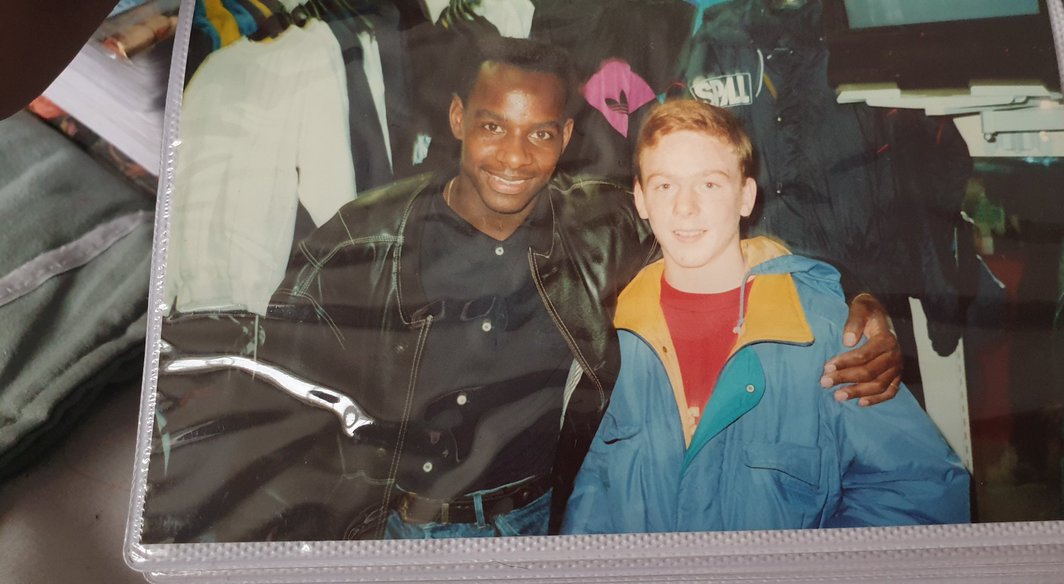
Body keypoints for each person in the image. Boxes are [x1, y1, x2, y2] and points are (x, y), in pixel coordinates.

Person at [145, 36, 903, 542]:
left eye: (540, 132)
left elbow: (716, 236)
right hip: (406, 531)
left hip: (549, 522)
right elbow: (276, 387)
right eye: (493, 128)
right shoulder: (364, 235)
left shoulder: (602, 222)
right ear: (457, 123)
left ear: (566, 139)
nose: (515, 155)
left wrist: (859, 304)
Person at [562, 100, 970, 534]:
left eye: (710, 185)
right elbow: (591, 497)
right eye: (665, 186)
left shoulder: (822, 328)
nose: (685, 208)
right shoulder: (607, 337)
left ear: (746, 196)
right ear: (640, 199)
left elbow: (919, 491)